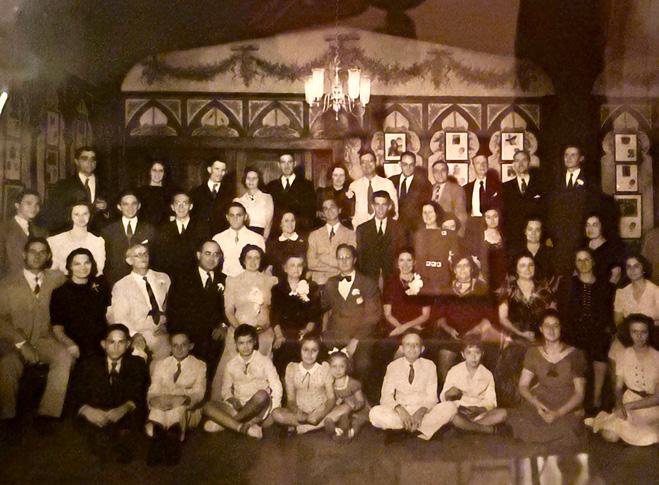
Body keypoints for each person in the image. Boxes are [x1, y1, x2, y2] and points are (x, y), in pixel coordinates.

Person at [0, 238, 69, 432]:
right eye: (32, 251)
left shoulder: (57, 279)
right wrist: (21, 343)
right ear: (24, 254)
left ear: (48, 256)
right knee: (8, 364)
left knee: (63, 357)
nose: (37, 256)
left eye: (42, 252)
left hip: (44, 339)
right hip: (14, 341)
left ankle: (47, 414)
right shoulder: (7, 284)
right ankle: (7, 418)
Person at [508, 310, 587, 448]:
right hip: (542, 402)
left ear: (561, 328)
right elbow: (523, 386)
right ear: (541, 329)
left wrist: (557, 414)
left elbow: (580, 394)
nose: (551, 330)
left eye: (555, 325)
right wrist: (536, 404)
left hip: (565, 406)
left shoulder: (575, 355)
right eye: (547, 326)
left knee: (565, 431)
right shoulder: (533, 352)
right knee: (523, 423)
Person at [73, 324, 149, 464]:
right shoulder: (89, 364)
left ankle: (121, 440)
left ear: (128, 345)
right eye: (111, 342)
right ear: (103, 344)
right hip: (96, 413)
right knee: (94, 448)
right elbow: (76, 393)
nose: (116, 347)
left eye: (121, 342)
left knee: (127, 439)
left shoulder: (137, 364)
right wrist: (86, 409)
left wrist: (125, 407)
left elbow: (139, 393)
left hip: (122, 413)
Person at [211, 245, 277, 400]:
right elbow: (229, 311)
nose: (253, 261)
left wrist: (266, 325)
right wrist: (241, 330)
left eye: (257, 258)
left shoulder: (270, 281)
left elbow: (274, 310)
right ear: (243, 260)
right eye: (249, 257)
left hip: (263, 334)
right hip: (238, 334)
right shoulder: (233, 281)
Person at [322, 244, 382, 401]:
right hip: (335, 334)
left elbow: (373, 317)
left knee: (362, 364)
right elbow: (323, 310)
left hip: (361, 336)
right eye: (340, 258)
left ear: (354, 259)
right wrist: (324, 332)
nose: (343, 261)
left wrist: (355, 341)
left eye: (347, 257)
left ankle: (360, 401)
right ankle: (332, 399)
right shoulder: (331, 283)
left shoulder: (368, 284)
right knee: (324, 362)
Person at [495, 254, 556, 406]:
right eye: (522, 265)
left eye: (531, 265)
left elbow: (553, 316)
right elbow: (502, 318)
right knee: (512, 375)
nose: (527, 269)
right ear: (516, 269)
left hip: (539, 341)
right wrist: (520, 333)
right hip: (516, 340)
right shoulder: (508, 290)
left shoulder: (544, 289)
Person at [557, 248, 614, 411]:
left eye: (587, 259)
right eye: (579, 260)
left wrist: (603, 329)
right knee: (574, 354)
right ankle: (576, 399)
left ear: (593, 262)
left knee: (600, 347)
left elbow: (608, 313)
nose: (583, 263)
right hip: (573, 331)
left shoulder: (606, 286)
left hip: (597, 330)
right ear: (575, 264)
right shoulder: (568, 284)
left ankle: (596, 397)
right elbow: (562, 311)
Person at [588, 314, 658, 446]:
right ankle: (606, 420)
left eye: (643, 332)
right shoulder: (624, 354)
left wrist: (627, 406)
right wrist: (619, 404)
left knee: (652, 436)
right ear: (628, 333)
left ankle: (626, 428)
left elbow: (657, 398)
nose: (639, 336)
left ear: (649, 333)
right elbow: (618, 387)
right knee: (610, 436)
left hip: (652, 408)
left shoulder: (657, 357)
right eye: (634, 332)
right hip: (630, 399)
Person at [204, 324, 282, 439]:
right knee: (207, 406)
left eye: (249, 342)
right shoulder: (231, 364)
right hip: (239, 407)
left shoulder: (265, 361)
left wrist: (274, 409)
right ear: (235, 344)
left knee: (262, 395)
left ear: (254, 342)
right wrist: (231, 398)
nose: (245, 347)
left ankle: (227, 424)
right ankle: (242, 427)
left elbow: (277, 386)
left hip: (259, 409)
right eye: (241, 343)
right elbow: (225, 390)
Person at [166, 240, 226, 385]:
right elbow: (173, 310)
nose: (212, 258)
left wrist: (223, 326)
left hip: (214, 338)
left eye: (216, 254)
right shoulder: (182, 278)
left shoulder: (224, 280)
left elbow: (228, 309)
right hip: (189, 337)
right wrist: (179, 337)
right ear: (199, 255)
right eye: (207, 253)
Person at [369, 331, 446, 440]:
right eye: (408, 344)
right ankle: (418, 429)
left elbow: (432, 397)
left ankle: (404, 430)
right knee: (374, 412)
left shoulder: (429, 365)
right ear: (402, 348)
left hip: (423, 411)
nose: (412, 348)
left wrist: (420, 413)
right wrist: (400, 410)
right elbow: (385, 396)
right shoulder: (393, 366)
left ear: (422, 349)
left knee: (450, 407)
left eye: (416, 344)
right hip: (401, 411)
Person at [146, 331, 206, 466]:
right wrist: (154, 400)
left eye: (183, 345)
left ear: (190, 346)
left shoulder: (199, 365)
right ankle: (159, 440)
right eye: (175, 345)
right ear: (170, 347)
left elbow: (199, 392)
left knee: (178, 406)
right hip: (163, 405)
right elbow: (154, 388)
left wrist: (182, 399)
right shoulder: (161, 364)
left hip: (188, 410)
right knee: (158, 405)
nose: (179, 349)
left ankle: (171, 440)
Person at [546, 144, 606, 277]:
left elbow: (595, 209)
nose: (569, 158)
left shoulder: (590, 182)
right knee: (560, 274)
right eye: (566, 155)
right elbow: (550, 209)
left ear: (581, 158)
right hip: (559, 239)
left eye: (573, 155)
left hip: (580, 238)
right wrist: (552, 234)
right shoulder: (556, 180)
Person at [435, 254, 497, 381]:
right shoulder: (446, 289)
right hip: (451, 334)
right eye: (459, 266)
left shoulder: (482, 288)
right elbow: (439, 317)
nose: (462, 269)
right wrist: (448, 329)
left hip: (475, 334)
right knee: (445, 356)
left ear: (472, 269)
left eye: (466, 266)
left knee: (475, 354)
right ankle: (448, 389)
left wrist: (476, 330)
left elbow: (489, 318)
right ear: (454, 270)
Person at [107, 244, 171, 362]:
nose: (143, 257)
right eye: (138, 255)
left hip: (160, 331)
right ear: (129, 261)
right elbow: (120, 317)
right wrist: (134, 334)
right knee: (137, 356)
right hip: (137, 331)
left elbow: (170, 306)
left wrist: (166, 325)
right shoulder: (121, 285)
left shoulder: (163, 278)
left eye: (145, 253)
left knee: (165, 354)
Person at [437, 338, 507, 434]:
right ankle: (485, 429)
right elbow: (443, 397)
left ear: (482, 353)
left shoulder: (487, 374)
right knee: (452, 415)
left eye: (477, 353)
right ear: (463, 354)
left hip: (478, 413)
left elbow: (491, 402)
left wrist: (478, 409)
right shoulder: (454, 371)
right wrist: (449, 393)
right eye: (469, 353)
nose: (473, 357)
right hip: (459, 411)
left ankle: (466, 427)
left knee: (503, 413)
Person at [50, 248, 110, 360]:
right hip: (76, 344)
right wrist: (70, 344)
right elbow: (57, 328)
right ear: (70, 267)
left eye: (87, 263)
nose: (83, 267)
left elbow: (108, 317)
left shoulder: (100, 287)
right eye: (77, 264)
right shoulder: (60, 293)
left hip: (102, 342)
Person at [272, 334, 335, 435]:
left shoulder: (324, 367)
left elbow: (331, 399)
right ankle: (317, 425)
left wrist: (321, 414)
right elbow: (291, 400)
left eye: (314, 350)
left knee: (344, 409)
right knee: (276, 414)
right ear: (299, 350)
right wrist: (297, 412)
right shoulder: (292, 368)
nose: (309, 354)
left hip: (321, 410)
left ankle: (304, 428)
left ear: (319, 352)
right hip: (301, 411)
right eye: (305, 350)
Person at [271, 253, 321, 375]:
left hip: (306, 330)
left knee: (305, 347)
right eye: (292, 265)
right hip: (284, 331)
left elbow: (314, 315)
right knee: (284, 350)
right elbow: (274, 315)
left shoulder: (311, 287)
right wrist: (279, 336)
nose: (296, 268)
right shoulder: (277, 289)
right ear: (285, 268)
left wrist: (306, 331)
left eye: (299, 265)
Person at [43, 146, 109, 233]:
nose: (90, 162)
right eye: (85, 159)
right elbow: (55, 213)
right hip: (72, 234)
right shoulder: (64, 185)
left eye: (93, 159)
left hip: (98, 234)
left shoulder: (106, 184)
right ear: (76, 161)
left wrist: (106, 208)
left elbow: (115, 212)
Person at [100, 190, 156, 287]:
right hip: (115, 281)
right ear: (119, 207)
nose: (130, 208)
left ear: (139, 206)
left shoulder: (149, 229)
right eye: (125, 204)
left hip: (142, 282)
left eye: (134, 204)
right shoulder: (108, 231)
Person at [610, 254, 658, 364]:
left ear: (644, 269)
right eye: (629, 266)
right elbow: (618, 321)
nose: (632, 270)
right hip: (629, 336)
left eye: (636, 266)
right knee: (616, 353)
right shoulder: (621, 293)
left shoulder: (656, 291)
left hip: (653, 336)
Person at [152, 190, 210, 282]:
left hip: (195, 279)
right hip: (171, 278)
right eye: (177, 203)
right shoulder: (163, 229)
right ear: (172, 207)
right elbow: (159, 257)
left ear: (191, 206)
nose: (181, 207)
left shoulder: (201, 227)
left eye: (185, 203)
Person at [356, 190, 406, 284]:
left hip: (392, 279)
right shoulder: (362, 229)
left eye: (384, 205)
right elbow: (360, 258)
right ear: (372, 206)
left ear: (389, 206)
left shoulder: (399, 228)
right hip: (369, 280)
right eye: (377, 204)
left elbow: (401, 255)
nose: (380, 208)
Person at [501, 149, 544, 254]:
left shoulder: (541, 185)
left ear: (529, 163)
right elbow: (504, 215)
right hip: (513, 239)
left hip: (535, 239)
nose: (520, 164)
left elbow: (546, 211)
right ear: (513, 164)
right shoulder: (505, 187)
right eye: (517, 161)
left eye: (524, 160)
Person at [307, 198, 356, 286]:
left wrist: (322, 257)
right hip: (318, 283)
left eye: (332, 207)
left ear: (339, 210)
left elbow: (349, 263)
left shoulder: (350, 234)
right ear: (322, 213)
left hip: (341, 282)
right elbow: (311, 263)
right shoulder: (314, 235)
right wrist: (338, 267)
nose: (329, 210)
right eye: (325, 208)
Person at [323, 348, 369, 441]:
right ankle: (336, 430)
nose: (338, 370)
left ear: (347, 367)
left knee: (356, 423)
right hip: (341, 410)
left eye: (342, 366)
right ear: (329, 368)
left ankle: (349, 433)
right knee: (336, 414)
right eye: (334, 366)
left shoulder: (352, 383)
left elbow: (361, 401)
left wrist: (354, 406)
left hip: (357, 410)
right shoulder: (330, 383)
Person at [412, 202, 458, 296]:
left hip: (442, 281)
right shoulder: (418, 234)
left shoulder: (448, 235)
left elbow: (454, 258)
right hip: (422, 282)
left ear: (436, 214)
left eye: (430, 212)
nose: (427, 215)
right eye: (424, 212)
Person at [47, 202, 106, 275]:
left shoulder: (98, 241)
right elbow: (52, 270)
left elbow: (99, 270)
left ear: (90, 215)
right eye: (76, 214)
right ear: (70, 216)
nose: (81, 218)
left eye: (85, 214)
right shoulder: (55, 240)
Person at [0, 189, 48, 277]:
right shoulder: (3, 229)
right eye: (29, 203)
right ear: (17, 205)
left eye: (37, 204)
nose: (33, 208)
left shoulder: (42, 232)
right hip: (10, 282)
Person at [265, 153, 316, 233]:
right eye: (283, 162)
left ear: (294, 164)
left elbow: (310, 213)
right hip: (277, 234)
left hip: (300, 232)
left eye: (289, 162)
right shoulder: (271, 186)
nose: (286, 166)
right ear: (279, 165)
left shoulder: (306, 185)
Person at [212, 202, 265, 278]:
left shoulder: (257, 238)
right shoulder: (218, 238)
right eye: (232, 215)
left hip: (249, 280)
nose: (235, 219)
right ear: (227, 217)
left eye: (239, 215)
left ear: (245, 217)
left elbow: (261, 265)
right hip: (224, 280)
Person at [348, 150, 398, 228]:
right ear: (360, 165)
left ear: (375, 162)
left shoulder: (387, 184)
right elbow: (351, 213)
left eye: (370, 161)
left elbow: (395, 212)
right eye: (363, 162)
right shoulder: (353, 186)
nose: (367, 165)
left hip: (382, 230)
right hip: (360, 230)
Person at [389, 151, 432, 236]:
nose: (408, 168)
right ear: (400, 164)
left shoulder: (424, 184)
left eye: (411, 164)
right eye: (405, 164)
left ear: (415, 165)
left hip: (415, 231)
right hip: (394, 230)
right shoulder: (391, 181)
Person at [190, 157, 235, 235]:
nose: (220, 173)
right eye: (217, 169)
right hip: (201, 235)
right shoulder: (196, 192)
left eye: (223, 170)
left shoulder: (230, 193)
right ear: (209, 169)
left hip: (222, 234)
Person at [464, 155, 501, 241]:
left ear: (488, 165)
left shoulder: (498, 186)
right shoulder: (466, 189)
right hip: (473, 228)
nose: (482, 165)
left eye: (484, 162)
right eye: (478, 163)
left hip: (492, 227)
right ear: (473, 166)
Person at [470, 207, 507, 292]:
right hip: (484, 280)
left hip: (502, 282)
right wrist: (480, 277)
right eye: (488, 217)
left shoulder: (504, 236)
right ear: (484, 219)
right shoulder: (479, 237)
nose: (492, 220)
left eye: (495, 216)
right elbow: (474, 260)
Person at [430, 160, 467, 237]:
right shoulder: (429, 189)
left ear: (447, 172)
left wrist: (458, 238)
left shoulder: (456, 189)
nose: (439, 174)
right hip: (432, 234)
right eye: (436, 171)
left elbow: (461, 215)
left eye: (443, 170)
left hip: (449, 234)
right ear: (433, 173)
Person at [266, 211, 307, 280]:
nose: (290, 224)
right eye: (286, 221)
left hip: (299, 281)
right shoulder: (273, 243)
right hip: (278, 282)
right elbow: (269, 267)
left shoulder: (304, 242)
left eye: (292, 221)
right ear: (280, 224)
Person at [235, 167, 274, 239]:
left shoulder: (267, 198)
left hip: (261, 236)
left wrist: (263, 241)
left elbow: (269, 223)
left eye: (254, 178)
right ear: (244, 180)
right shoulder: (238, 201)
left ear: (259, 180)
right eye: (248, 178)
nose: (251, 181)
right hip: (243, 236)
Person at [515, 217, 556, 285]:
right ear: (525, 231)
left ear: (541, 232)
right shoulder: (516, 254)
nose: (533, 233)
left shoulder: (551, 254)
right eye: (530, 229)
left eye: (537, 230)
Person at [585, 213, 623, 285]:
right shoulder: (583, 247)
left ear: (602, 227)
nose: (590, 229)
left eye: (595, 225)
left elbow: (616, 274)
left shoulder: (611, 249)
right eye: (588, 225)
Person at [136, 159, 176, 227]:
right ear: (149, 172)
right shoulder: (140, 192)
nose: (157, 173)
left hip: (164, 229)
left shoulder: (170, 193)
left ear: (164, 173)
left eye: (160, 171)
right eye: (154, 170)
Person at [316, 163, 354, 229]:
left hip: (346, 229)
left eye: (341, 175)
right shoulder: (322, 193)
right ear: (331, 176)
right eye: (335, 175)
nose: (338, 178)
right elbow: (318, 215)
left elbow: (352, 215)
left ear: (345, 177)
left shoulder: (351, 193)